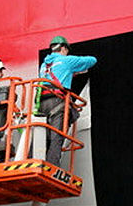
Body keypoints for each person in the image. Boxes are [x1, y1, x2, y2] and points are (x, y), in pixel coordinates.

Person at [38, 36, 96, 166]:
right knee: (57, 135)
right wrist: (74, 69)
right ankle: (52, 165)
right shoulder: (67, 60)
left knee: (43, 135)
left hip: (41, 103)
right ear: (63, 48)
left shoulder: (44, 65)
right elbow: (92, 60)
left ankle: (37, 160)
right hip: (57, 102)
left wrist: (69, 73)